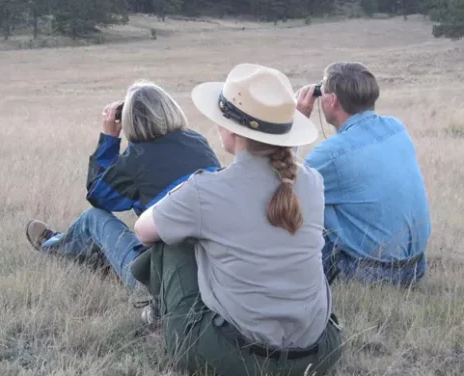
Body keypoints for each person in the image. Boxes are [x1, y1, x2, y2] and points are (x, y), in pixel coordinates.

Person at [130, 64, 344, 376]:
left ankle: (158, 314)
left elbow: (143, 231)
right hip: (319, 354)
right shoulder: (312, 181)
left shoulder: (206, 191)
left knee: (170, 240)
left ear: (229, 129)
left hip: (231, 359)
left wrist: (184, 190)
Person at [24, 80, 220, 290]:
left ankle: (52, 246)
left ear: (129, 120)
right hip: (215, 266)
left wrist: (109, 139)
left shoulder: (137, 159)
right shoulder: (198, 141)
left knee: (93, 219)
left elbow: (98, 196)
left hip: (163, 282)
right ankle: (98, 257)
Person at [295, 62, 431, 286]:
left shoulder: (330, 155)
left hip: (375, 273)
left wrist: (296, 124)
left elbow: (281, 188)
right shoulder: (396, 128)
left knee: (303, 207)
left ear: (332, 100)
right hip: (416, 266)